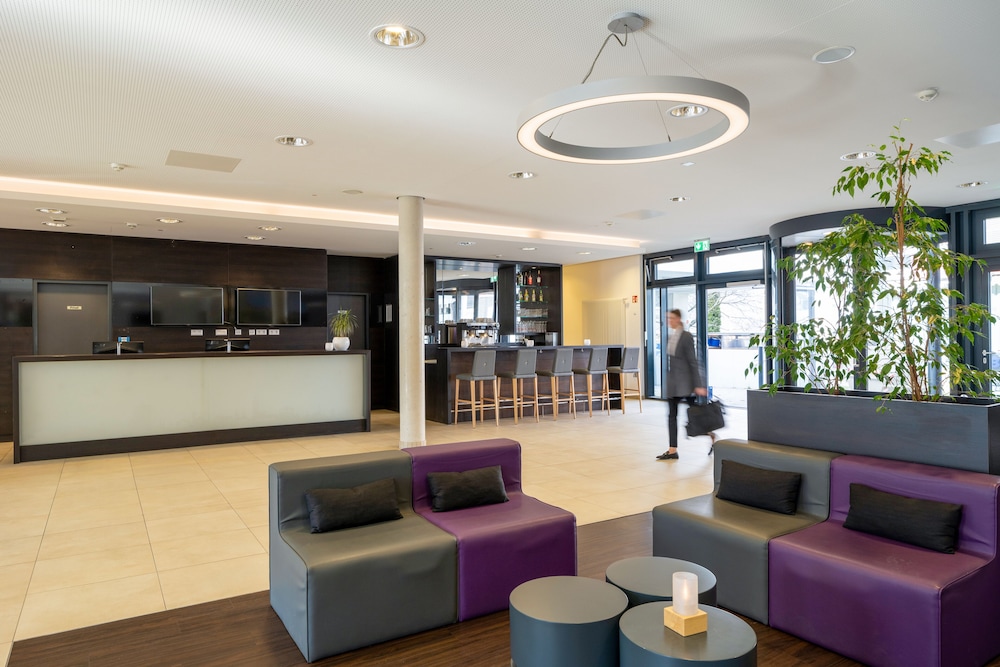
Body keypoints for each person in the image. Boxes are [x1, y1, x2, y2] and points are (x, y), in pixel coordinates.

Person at [657, 309, 712, 460]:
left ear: (678, 319)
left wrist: (699, 384)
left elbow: (693, 361)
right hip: (673, 384)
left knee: (696, 415)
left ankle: (711, 435)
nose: (669, 321)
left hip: (686, 384)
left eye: (672, 318)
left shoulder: (686, 336)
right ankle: (672, 450)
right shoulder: (669, 337)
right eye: (668, 318)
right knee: (672, 416)